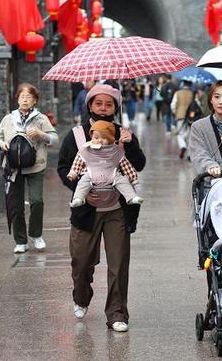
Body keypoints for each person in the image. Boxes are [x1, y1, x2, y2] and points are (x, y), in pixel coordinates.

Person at [57, 83, 146, 333]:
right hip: (86, 211)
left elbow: (138, 165)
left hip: (117, 210)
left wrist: (131, 144)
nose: (103, 108)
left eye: (109, 104)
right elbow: (63, 168)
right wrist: (82, 191)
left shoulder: (123, 134)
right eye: (98, 103)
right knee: (81, 261)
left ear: (116, 108)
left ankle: (117, 313)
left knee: (118, 264)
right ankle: (81, 296)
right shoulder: (76, 136)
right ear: (90, 106)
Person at [0, 83, 58, 254]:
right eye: (22, 96)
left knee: (36, 201)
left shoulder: (41, 119)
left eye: (29, 97)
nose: (25, 99)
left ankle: (36, 234)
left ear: (35, 100)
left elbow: (54, 138)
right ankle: (21, 241)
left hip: (36, 165)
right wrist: (2, 144)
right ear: (17, 99)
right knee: (16, 205)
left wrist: (41, 134)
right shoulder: (8, 119)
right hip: (13, 167)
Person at [67, 120, 143, 208]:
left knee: (123, 181)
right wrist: (73, 173)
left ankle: (131, 197)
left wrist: (133, 178)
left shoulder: (115, 150)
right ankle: (78, 198)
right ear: (92, 137)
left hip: (112, 173)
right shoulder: (86, 149)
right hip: (91, 173)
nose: (99, 140)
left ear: (110, 139)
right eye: (96, 138)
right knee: (82, 182)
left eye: (104, 138)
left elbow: (125, 165)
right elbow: (78, 161)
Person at [171, 80, 194, 159]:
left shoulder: (177, 93)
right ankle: (189, 154)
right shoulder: (192, 94)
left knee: (180, 134)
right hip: (190, 117)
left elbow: (173, 105)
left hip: (180, 116)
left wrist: (175, 112)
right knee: (189, 136)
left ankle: (183, 146)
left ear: (183, 84)